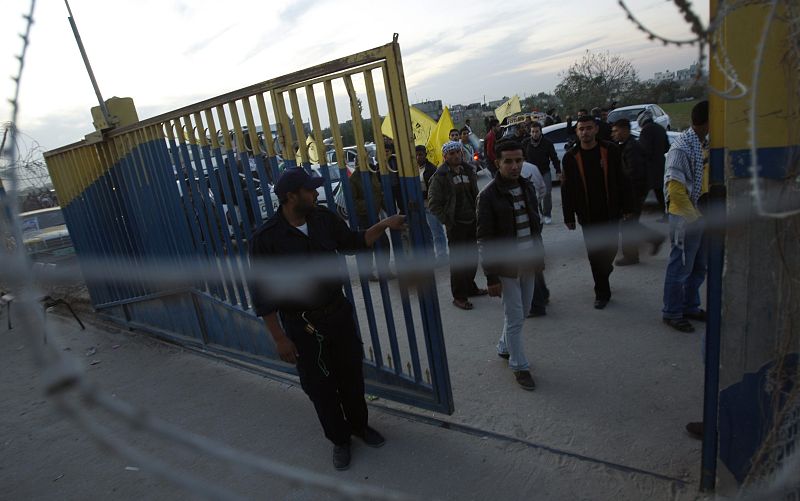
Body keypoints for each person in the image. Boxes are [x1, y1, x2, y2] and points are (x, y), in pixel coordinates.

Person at [248, 167, 406, 471]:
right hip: (302, 326)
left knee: (351, 376)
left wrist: (384, 224)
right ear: (291, 196)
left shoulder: (323, 219)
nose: (315, 193)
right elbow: (262, 293)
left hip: (337, 315)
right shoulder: (266, 239)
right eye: (309, 190)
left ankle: (359, 426)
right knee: (319, 387)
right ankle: (339, 439)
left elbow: (353, 242)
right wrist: (280, 339)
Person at [477, 140, 543, 390]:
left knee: (523, 312)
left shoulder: (527, 187)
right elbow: (485, 240)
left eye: (518, 160)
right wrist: (491, 277)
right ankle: (519, 366)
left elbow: (535, 226)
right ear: (497, 163)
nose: (514, 166)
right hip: (506, 269)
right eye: (508, 161)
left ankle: (504, 347)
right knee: (515, 317)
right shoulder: (487, 196)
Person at [561, 116, 634, 309]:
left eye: (588, 128)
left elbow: (623, 179)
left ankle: (605, 269)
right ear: (577, 132)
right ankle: (602, 293)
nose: (585, 132)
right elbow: (566, 189)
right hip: (587, 216)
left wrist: (628, 207)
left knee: (610, 251)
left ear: (596, 129)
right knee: (594, 256)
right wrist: (568, 216)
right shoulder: (570, 157)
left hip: (611, 213)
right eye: (581, 129)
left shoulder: (610, 150)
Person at [661, 100, 710, 334]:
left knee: (698, 267)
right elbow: (676, 191)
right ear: (708, 121)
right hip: (684, 217)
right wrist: (695, 219)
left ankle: (690, 306)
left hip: (699, 214)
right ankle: (672, 312)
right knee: (680, 268)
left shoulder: (702, 143)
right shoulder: (681, 148)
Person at [428, 141, 487, 310]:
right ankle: (459, 296)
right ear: (445, 157)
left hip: (472, 222)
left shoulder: (468, 170)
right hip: (456, 226)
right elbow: (433, 203)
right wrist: (447, 220)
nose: (455, 156)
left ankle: (470, 288)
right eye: (451, 153)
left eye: (457, 152)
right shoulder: (440, 176)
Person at [612, 119, 665, 266]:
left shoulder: (632, 147)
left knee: (628, 224)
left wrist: (627, 194)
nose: (613, 134)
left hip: (634, 192)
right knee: (629, 223)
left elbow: (633, 174)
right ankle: (651, 241)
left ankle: (633, 255)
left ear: (625, 130)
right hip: (634, 191)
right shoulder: (626, 145)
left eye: (616, 131)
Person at [349, 158, 394, 280]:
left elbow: (379, 193)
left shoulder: (372, 175)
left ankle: (384, 269)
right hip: (363, 217)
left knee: (383, 243)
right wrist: (369, 204)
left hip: (375, 216)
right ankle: (367, 272)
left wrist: (387, 208)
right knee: (367, 245)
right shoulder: (353, 179)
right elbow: (352, 202)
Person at [520, 160, 550, 317]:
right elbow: (543, 190)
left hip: (526, 225)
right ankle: (543, 294)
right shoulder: (532, 167)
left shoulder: (512, 177)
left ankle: (537, 304)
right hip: (536, 220)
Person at [521, 121, 561, 224]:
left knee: (547, 193)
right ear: (530, 132)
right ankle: (537, 213)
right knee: (533, 194)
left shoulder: (547, 143)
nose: (535, 134)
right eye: (533, 132)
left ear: (540, 131)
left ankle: (547, 214)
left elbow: (554, 157)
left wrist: (558, 171)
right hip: (531, 173)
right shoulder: (525, 143)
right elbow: (521, 157)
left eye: (537, 131)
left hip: (544, 171)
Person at [416, 144, 448, 262]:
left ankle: (442, 255)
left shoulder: (432, 169)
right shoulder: (412, 169)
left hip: (431, 204)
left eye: (420, 155)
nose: (418, 157)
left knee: (436, 230)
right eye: (416, 155)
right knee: (426, 232)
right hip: (420, 205)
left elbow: (435, 188)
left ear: (425, 155)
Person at [637, 110, 670, 217]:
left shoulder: (645, 130)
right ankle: (666, 213)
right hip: (661, 164)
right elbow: (667, 147)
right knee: (660, 192)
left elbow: (644, 150)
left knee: (642, 193)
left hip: (649, 167)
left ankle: (635, 216)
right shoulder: (660, 128)